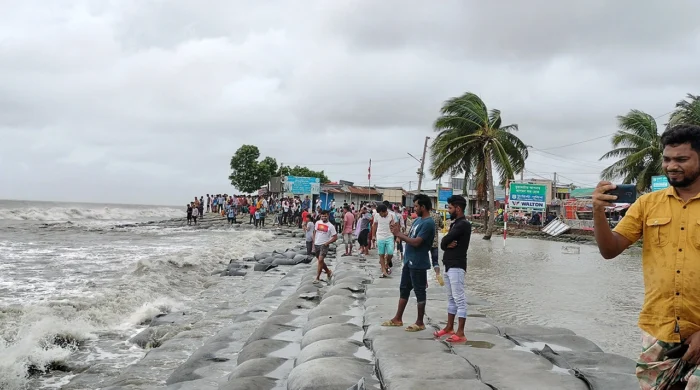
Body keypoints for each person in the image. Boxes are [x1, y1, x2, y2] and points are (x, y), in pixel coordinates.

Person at [591, 124, 700, 389]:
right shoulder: (648, 204)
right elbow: (610, 250)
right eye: (667, 159)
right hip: (659, 327)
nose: (671, 165)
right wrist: (597, 212)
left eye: (682, 159)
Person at [382, 194, 435, 332]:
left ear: (423, 207)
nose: (414, 208)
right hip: (409, 260)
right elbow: (409, 237)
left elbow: (417, 242)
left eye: (417, 206)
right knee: (404, 289)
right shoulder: (417, 221)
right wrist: (397, 232)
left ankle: (420, 322)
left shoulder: (428, 223)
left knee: (419, 291)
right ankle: (398, 318)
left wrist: (399, 234)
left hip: (418, 262)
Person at [434, 195, 472, 344]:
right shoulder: (455, 224)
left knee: (459, 299)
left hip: (457, 265)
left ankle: (461, 332)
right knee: (451, 298)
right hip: (449, 264)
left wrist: (445, 242)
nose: (448, 211)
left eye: (450, 208)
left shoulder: (463, 224)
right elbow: (444, 243)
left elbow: (444, 240)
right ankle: (449, 327)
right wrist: (445, 243)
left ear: (458, 208)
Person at [312, 210, 336, 283]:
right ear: (320, 216)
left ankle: (317, 278)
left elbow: (335, 237)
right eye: (322, 216)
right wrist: (314, 242)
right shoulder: (317, 223)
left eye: (325, 216)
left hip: (324, 245)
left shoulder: (331, 226)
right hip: (317, 244)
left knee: (320, 260)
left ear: (328, 216)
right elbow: (314, 232)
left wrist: (327, 243)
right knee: (321, 261)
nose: (324, 217)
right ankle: (328, 272)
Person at [373, 204, 395, 278]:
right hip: (380, 236)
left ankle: (386, 264)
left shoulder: (392, 215)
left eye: (381, 213)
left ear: (385, 211)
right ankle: (384, 271)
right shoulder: (377, 215)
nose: (380, 215)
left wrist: (397, 236)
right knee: (381, 254)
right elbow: (374, 225)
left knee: (390, 253)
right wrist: (373, 235)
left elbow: (396, 225)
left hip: (389, 236)